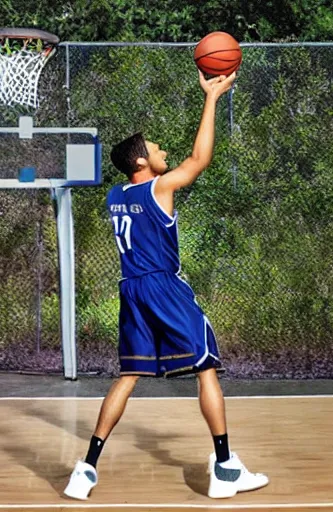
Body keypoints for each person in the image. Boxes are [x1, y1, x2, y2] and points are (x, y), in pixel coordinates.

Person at [64, 70, 268, 501]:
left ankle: (85, 469)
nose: (164, 152)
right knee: (206, 365)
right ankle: (225, 470)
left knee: (129, 375)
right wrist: (211, 97)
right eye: (156, 149)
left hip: (131, 290)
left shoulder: (114, 195)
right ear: (142, 162)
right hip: (163, 287)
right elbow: (199, 160)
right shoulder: (157, 189)